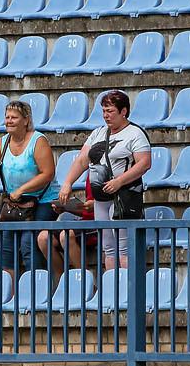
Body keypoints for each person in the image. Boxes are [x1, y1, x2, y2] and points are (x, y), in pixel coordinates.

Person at [59, 89, 154, 269]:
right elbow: (82, 160)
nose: (106, 116)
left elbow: (144, 163)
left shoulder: (134, 133)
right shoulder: (99, 133)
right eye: (103, 111)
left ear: (123, 111)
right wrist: (68, 183)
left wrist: (120, 181)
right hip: (101, 198)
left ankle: (127, 289)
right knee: (108, 247)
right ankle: (112, 289)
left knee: (124, 247)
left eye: (110, 111)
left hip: (124, 196)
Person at [0, 98, 61, 275]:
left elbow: (48, 173)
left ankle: (37, 289)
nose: (9, 120)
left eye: (14, 117)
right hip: (16, 202)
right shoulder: (2, 142)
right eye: (7, 117)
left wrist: (22, 189)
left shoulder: (38, 140)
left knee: (28, 242)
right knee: (6, 246)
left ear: (26, 120)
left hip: (43, 200)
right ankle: (9, 295)